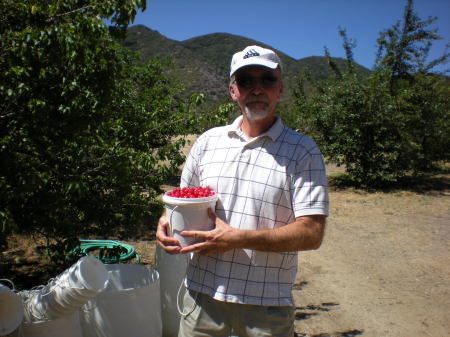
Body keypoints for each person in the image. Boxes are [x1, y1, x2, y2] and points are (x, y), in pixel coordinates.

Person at [156, 45, 329, 337]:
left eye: (267, 80)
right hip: (202, 297)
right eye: (246, 81)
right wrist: (164, 222)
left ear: (280, 89)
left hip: (266, 306)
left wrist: (238, 239)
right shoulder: (208, 142)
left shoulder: (303, 151)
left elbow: (311, 233)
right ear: (233, 90)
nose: (257, 88)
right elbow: (180, 202)